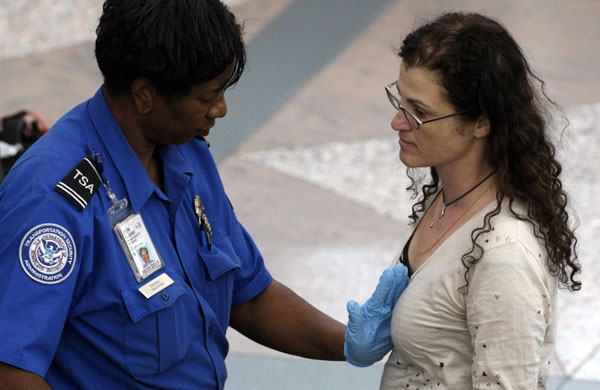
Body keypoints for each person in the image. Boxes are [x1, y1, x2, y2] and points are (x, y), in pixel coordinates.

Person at [0, 1, 409, 389]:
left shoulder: (185, 151)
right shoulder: (52, 201)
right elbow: (11, 370)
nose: (222, 110)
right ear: (145, 95)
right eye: (207, 96)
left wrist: (350, 344)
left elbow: (248, 295)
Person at [361, 12, 581, 389]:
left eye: (419, 113)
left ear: (482, 122)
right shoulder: (447, 199)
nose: (398, 122)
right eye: (400, 101)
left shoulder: (504, 257)